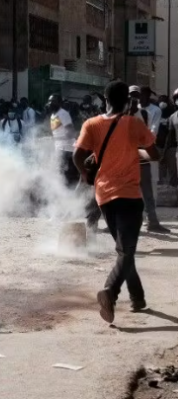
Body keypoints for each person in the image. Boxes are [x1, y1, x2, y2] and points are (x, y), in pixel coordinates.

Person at [73, 81, 161, 323]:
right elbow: (156, 154)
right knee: (126, 250)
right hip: (129, 196)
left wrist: (86, 175)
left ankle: (138, 298)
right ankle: (110, 292)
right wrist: (138, 152)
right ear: (128, 101)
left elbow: (77, 155)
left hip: (104, 197)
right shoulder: (134, 124)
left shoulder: (91, 124)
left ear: (105, 99)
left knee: (125, 250)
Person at [129, 86, 169, 233]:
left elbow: (152, 132)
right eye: (132, 95)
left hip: (146, 150)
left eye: (137, 95)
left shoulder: (154, 110)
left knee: (149, 187)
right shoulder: (126, 109)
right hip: (128, 151)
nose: (136, 98)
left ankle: (151, 220)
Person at [48, 94, 77, 187]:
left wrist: (55, 138)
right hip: (59, 148)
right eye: (49, 101)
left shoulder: (63, 113)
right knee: (59, 173)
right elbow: (57, 132)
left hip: (67, 149)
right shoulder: (53, 115)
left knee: (67, 174)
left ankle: (70, 194)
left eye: (53, 101)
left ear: (59, 103)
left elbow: (71, 132)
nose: (50, 103)